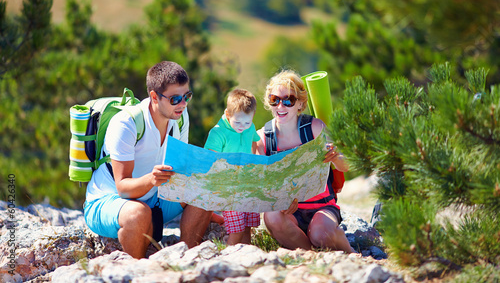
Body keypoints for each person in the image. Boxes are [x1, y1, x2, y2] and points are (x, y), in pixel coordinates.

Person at [83, 61, 213, 259]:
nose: (183, 104)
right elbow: (123, 188)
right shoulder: (126, 124)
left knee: (205, 186)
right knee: (138, 214)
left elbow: (182, 172)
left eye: (187, 96)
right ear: (154, 97)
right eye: (175, 98)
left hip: (153, 199)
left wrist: (206, 207)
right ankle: (138, 272)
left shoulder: (180, 116)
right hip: (109, 200)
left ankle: (186, 259)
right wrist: (152, 180)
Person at [253, 69, 355, 253]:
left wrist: (337, 156)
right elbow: (263, 181)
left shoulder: (314, 128)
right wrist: (280, 198)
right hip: (289, 212)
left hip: (323, 207)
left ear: (300, 103)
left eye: (288, 100)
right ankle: (311, 255)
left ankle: (352, 253)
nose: (281, 106)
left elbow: (345, 165)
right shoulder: (263, 138)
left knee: (320, 235)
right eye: (274, 100)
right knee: (272, 216)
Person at [204, 89, 261, 245]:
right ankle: (230, 257)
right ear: (227, 114)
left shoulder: (250, 127)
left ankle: (247, 253)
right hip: (229, 187)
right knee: (236, 228)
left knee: (248, 225)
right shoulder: (218, 133)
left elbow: (256, 140)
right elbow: (210, 158)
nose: (242, 127)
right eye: (238, 122)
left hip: (247, 183)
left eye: (247, 122)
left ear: (252, 117)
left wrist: (256, 157)